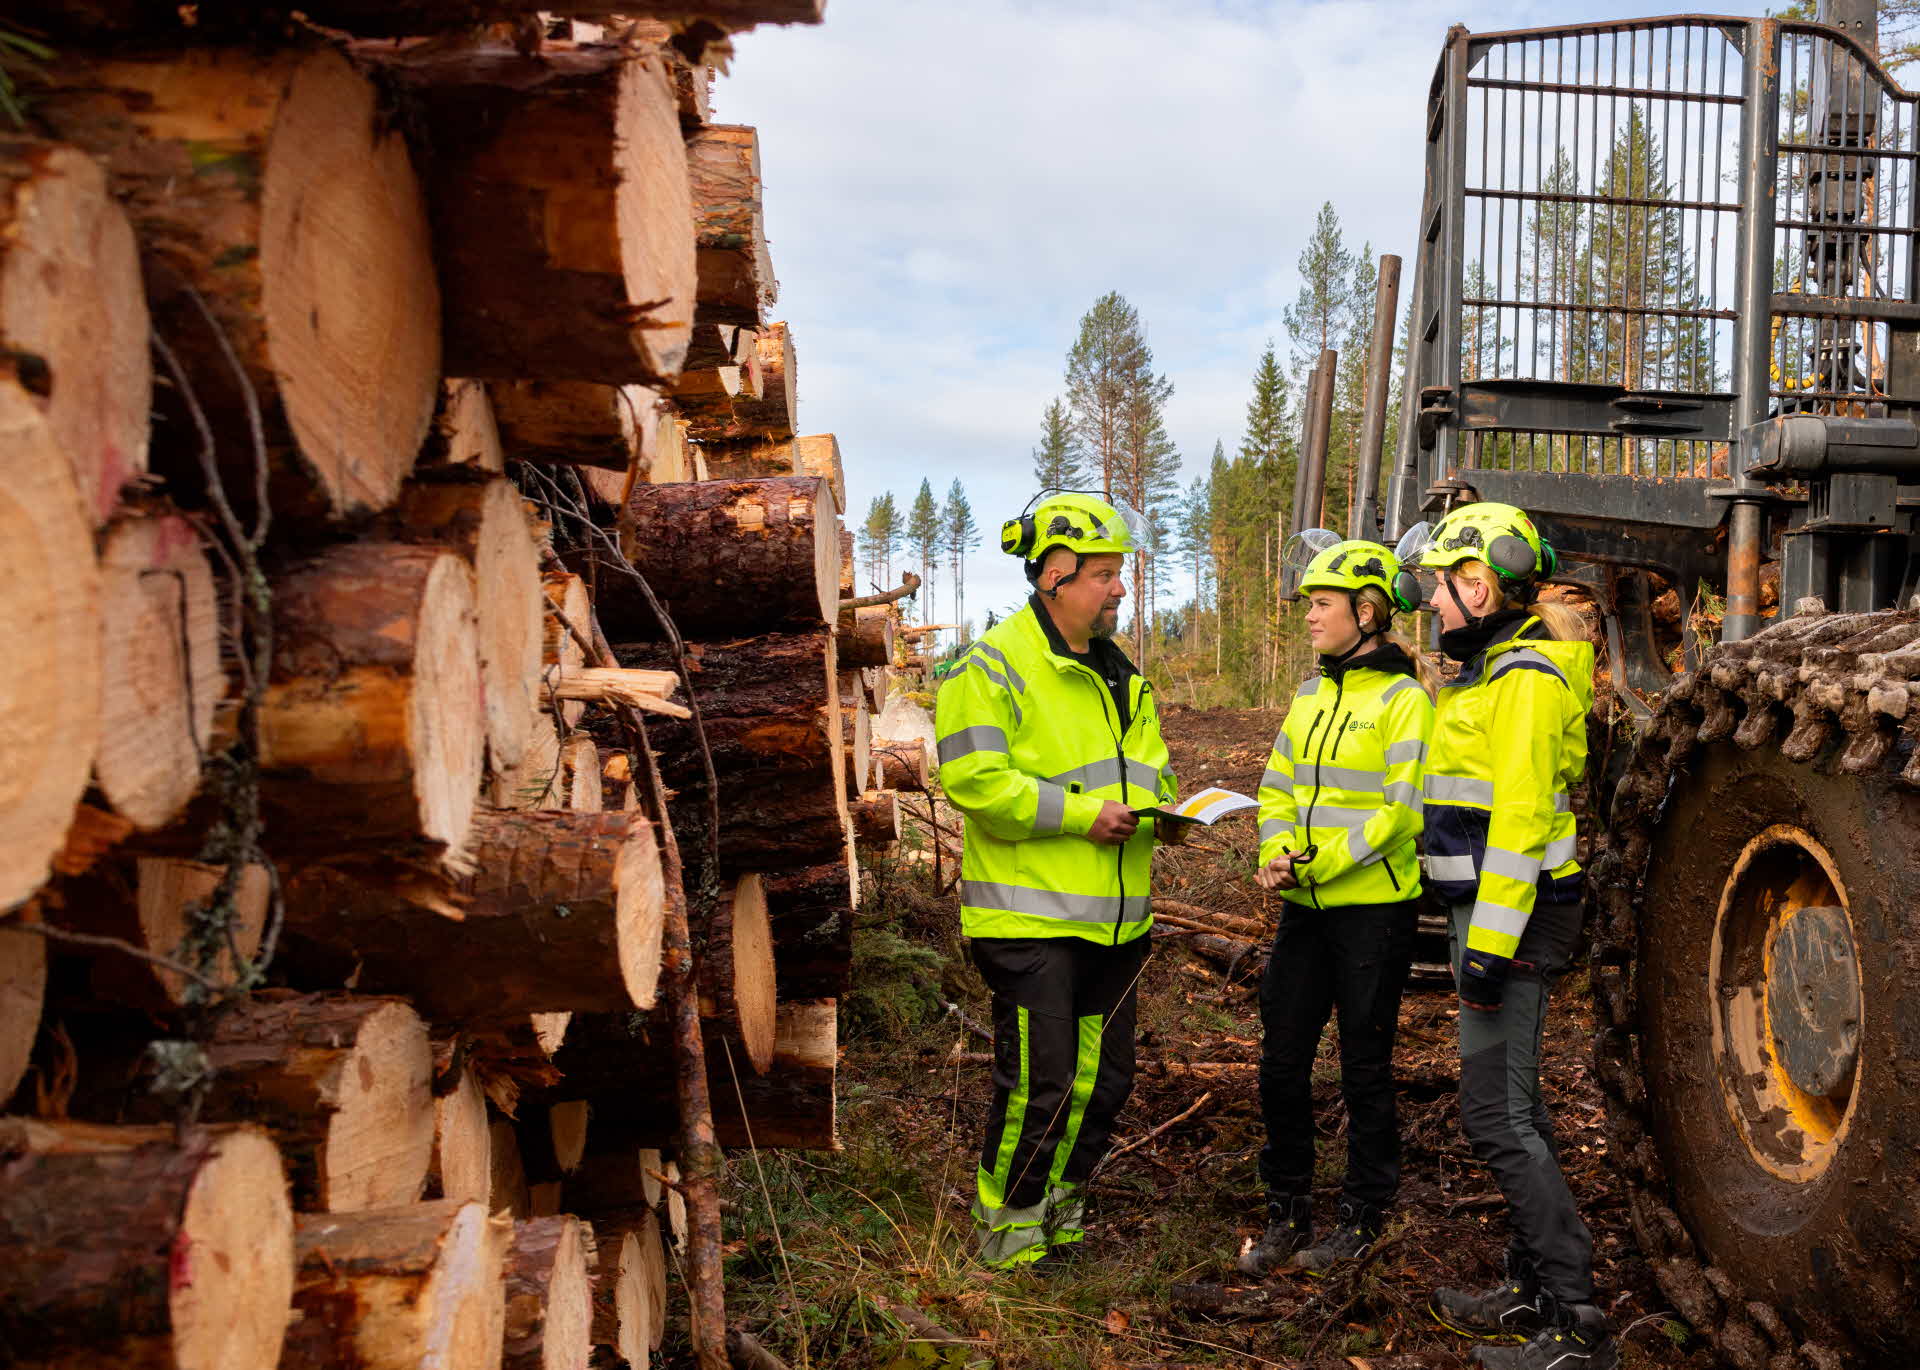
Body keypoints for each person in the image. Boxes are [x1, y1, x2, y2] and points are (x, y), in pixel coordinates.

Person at [934, 490, 1179, 1270]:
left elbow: (1152, 773)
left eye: (1120, 574)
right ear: (1054, 577)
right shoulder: (993, 667)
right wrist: (1082, 817)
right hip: (1029, 922)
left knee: (1102, 1087)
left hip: (1115, 923)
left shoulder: (1120, 675)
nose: (1120, 589)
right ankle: (1004, 1241)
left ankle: (1059, 1223)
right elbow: (975, 783)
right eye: (1106, 575)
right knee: (1040, 1089)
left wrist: (1166, 810)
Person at [1405, 502, 1614, 1370]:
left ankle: (1576, 1321)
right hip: (1495, 913)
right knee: (1517, 1107)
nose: (1433, 610)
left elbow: (1523, 819)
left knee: (1495, 1115)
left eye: (1439, 593)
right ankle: (1536, 1284)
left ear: (1480, 585)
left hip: (1517, 920)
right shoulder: (1491, 671)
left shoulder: (1523, 678)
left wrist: (1487, 948)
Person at [1239, 535, 1436, 1278]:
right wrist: (1276, 849)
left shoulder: (1404, 699)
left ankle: (1363, 1215)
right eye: (1310, 604)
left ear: (1367, 609)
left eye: (1322, 604)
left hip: (1372, 915)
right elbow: (1278, 786)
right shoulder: (1311, 693)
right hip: (1305, 909)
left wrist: (1327, 858)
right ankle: (1287, 1208)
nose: (1310, 617)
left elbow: (1401, 811)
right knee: (1281, 1060)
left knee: (1365, 1067)